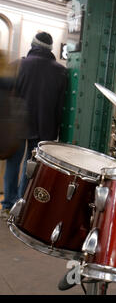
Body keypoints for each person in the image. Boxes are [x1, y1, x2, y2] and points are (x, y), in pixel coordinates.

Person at [1, 32, 67, 219]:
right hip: (44, 127)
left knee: (13, 165)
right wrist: (58, 130)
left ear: (32, 44)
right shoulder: (60, 71)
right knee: (31, 167)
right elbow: (60, 105)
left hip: (17, 126)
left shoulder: (19, 65)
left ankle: (7, 205)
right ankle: (22, 205)